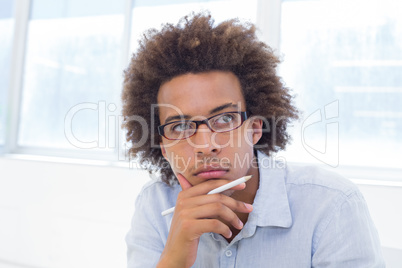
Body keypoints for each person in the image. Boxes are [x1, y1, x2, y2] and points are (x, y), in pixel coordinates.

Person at [122, 12, 384, 267]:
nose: (205, 145)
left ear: (255, 129)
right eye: (179, 126)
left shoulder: (332, 205)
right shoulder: (154, 206)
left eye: (224, 119)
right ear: (164, 147)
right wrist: (174, 260)